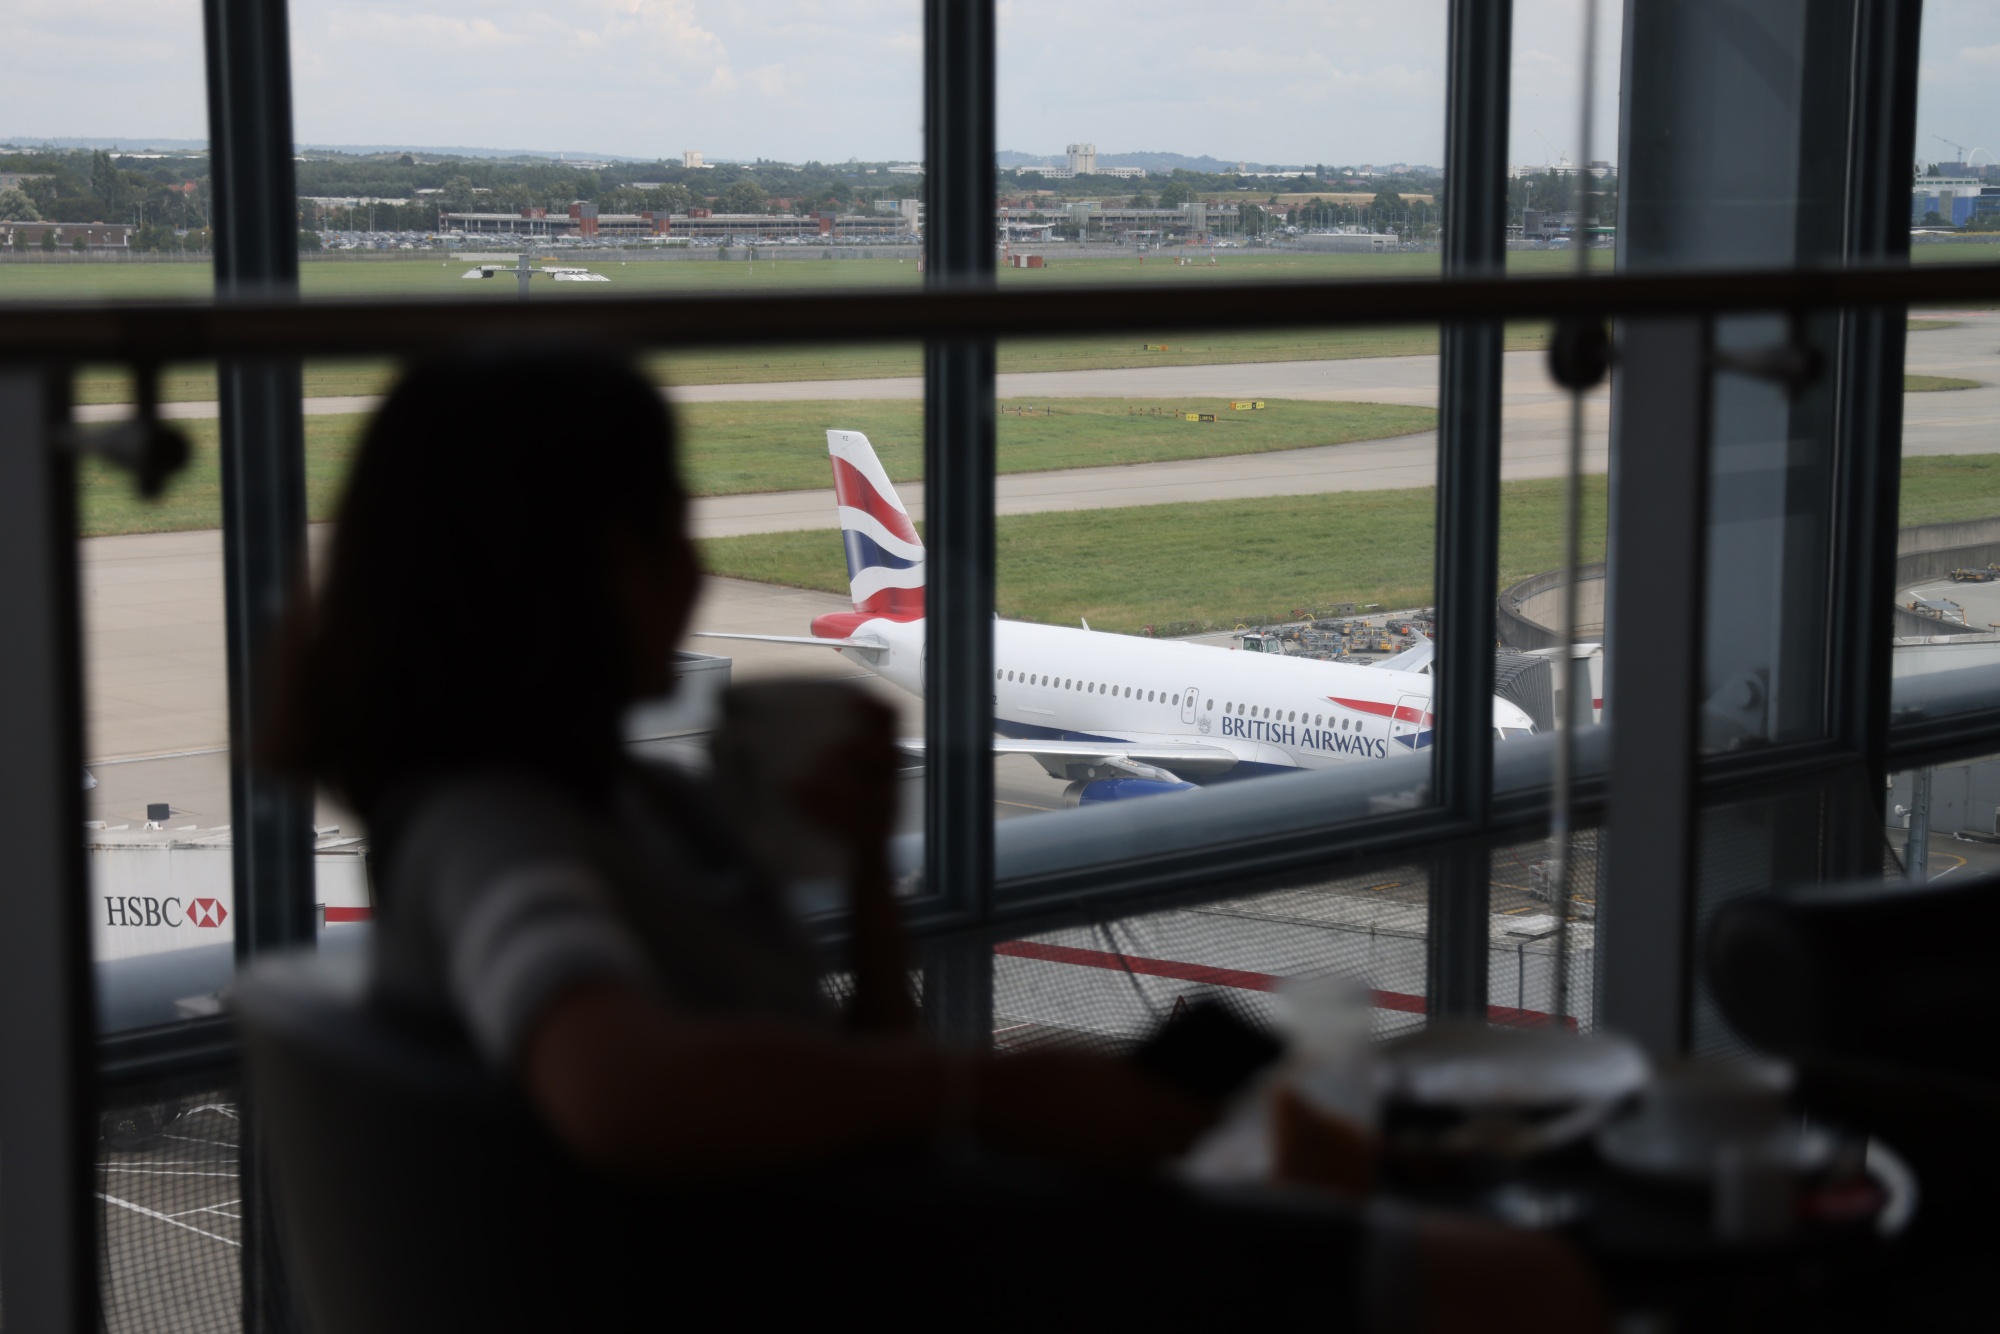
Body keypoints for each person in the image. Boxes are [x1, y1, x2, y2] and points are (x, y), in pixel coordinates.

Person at [270, 345, 1604, 1329]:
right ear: (567, 575)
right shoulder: (496, 836)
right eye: (668, 522)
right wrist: (994, 1095)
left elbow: (852, 1059)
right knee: (1497, 1271)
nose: (695, 563)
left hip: (847, 1232)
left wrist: (861, 866)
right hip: (832, 1263)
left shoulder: (600, 808)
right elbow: (621, 1087)